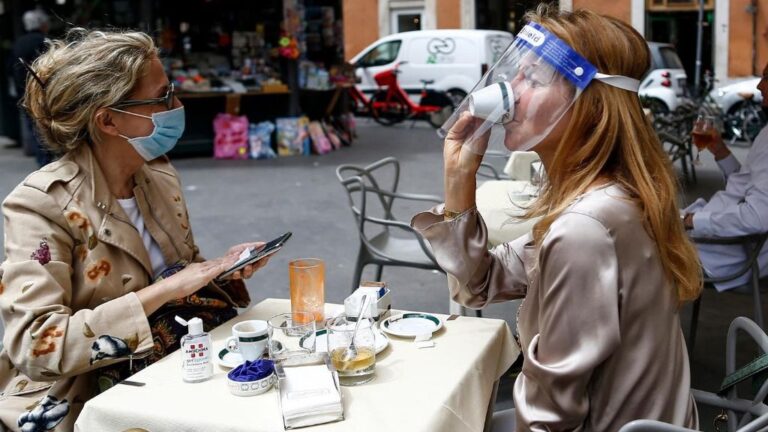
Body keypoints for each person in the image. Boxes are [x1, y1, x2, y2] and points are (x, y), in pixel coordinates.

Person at [411, 6, 702, 431]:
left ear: (590, 102)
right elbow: (479, 283)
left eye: (531, 77)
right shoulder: (612, 198)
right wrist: (459, 178)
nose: (508, 90)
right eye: (515, 72)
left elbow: (549, 420)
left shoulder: (587, 226)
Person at [0, 29, 270, 430]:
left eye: (173, 92)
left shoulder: (158, 176)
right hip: (87, 402)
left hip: (177, 370)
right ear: (107, 120)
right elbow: (38, 345)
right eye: (162, 97)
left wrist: (222, 269)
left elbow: (184, 274)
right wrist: (166, 290)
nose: (177, 106)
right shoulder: (41, 203)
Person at [682, 62, 768, 291]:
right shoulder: (766, 133)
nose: (760, 86)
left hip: (721, 256)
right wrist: (720, 151)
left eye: (767, 78)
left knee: (631, 248)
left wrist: (690, 221)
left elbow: (756, 217)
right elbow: (746, 186)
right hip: (716, 244)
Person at [11, 8, 52, 166]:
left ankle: (42, 161)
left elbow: (11, 67)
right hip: (42, 90)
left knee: (34, 126)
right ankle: (45, 160)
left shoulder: (20, 42)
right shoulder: (43, 41)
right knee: (45, 124)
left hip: (24, 90)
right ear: (42, 24)